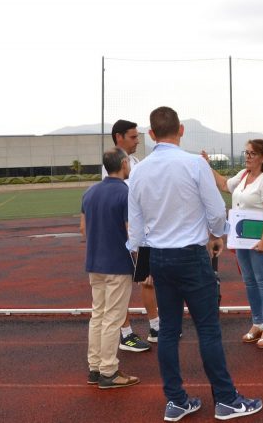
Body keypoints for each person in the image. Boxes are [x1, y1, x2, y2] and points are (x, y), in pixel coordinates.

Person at [127, 107, 263, 421]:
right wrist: (216, 234)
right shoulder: (194, 164)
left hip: (159, 257)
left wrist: (142, 257)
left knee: (168, 331)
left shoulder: (139, 171)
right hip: (190, 255)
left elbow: (135, 226)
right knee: (208, 330)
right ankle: (226, 400)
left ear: (151, 134)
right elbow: (215, 211)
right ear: (181, 130)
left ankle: (176, 401)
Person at [204, 139, 263, 349]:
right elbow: (223, 185)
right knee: (249, 281)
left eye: (252, 153)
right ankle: (257, 323)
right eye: (246, 152)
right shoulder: (243, 175)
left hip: (259, 239)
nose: (247, 156)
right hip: (241, 239)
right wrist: (207, 166)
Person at [80, 147, 141, 389]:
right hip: (117, 264)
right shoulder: (126, 193)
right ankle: (109, 371)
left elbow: (83, 229)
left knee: (98, 314)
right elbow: (131, 232)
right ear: (124, 163)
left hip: (95, 263)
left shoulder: (89, 192)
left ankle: (95, 367)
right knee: (113, 318)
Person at [105, 119, 156, 352]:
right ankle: (125, 334)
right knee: (121, 286)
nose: (137, 141)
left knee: (148, 279)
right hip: (122, 235)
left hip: (140, 232)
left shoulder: (134, 162)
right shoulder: (111, 164)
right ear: (119, 137)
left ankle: (155, 326)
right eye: (133, 137)